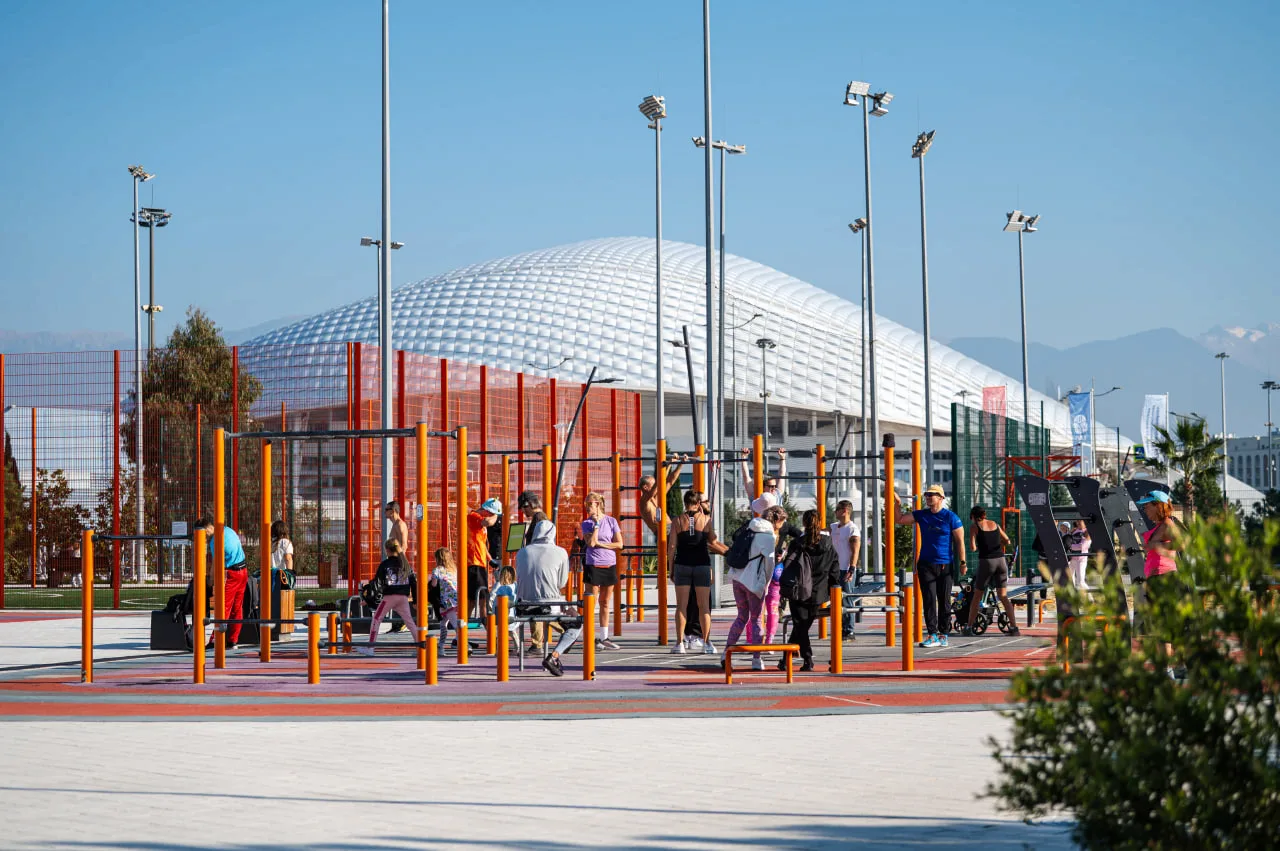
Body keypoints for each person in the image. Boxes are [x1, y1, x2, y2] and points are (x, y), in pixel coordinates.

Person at [893, 484, 965, 648]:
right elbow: (900, 519)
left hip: (945, 564)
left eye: (931, 494)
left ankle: (943, 634)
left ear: (941, 498)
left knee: (944, 601)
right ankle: (932, 634)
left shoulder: (951, 517)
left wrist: (963, 562)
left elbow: (960, 541)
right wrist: (897, 504)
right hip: (926, 564)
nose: (928, 497)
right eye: (926, 494)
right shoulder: (922, 514)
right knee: (929, 600)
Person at [515, 517, 584, 677]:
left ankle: (558, 646)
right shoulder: (560, 552)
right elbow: (561, 582)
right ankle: (555, 655)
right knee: (578, 622)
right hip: (549, 605)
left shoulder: (522, 552)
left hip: (523, 606)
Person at [724, 505, 788, 671]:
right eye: (782, 523)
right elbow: (769, 565)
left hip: (737, 578)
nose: (782, 526)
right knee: (757, 619)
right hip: (753, 583)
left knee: (741, 617)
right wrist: (765, 585)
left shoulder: (749, 528)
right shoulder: (768, 536)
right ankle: (756, 659)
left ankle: (726, 653)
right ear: (777, 520)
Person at [779, 509, 841, 671]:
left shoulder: (797, 544)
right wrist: (833, 589)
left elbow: (788, 566)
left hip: (798, 589)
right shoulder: (828, 544)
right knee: (802, 626)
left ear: (804, 523)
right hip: (819, 591)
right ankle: (786, 659)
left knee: (800, 626)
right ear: (820, 522)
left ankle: (807, 660)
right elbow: (835, 568)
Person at [667, 490, 726, 655]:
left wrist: (671, 567)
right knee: (704, 606)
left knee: (681, 606)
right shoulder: (706, 520)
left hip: (683, 564)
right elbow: (713, 540)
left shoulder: (677, 521)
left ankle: (680, 643)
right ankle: (707, 642)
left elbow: (672, 547)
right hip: (702, 565)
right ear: (698, 503)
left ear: (685, 503)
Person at [1137, 490, 1181, 673]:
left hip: (1164, 578)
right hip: (1156, 579)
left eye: (1148, 506)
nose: (1145, 510)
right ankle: (1168, 668)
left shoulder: (1168, 524)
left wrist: (1156, 545)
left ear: (1158, 506)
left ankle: (1167, 670)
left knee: (1163, 627)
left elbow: (1182, 543)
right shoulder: (1161, 525)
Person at [356, 538, 419, 656]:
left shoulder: (385, 565)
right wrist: (415, 600)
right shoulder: (405, 564)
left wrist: (368, 599)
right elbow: (413, 583)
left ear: (387, 550)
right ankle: (420, 647)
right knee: (410, 622)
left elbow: (377, 584)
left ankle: (370, 648)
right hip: (403, 598)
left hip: (389, 597)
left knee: (376, 619)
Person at [962, 506, 1020, 637]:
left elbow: (973, 547)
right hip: (1001, 561)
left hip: (987, 562)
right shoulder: (995, 524)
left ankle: (969, 627)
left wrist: (980, 546)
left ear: (973, 516)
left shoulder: (974, 527)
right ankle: (1014, 628)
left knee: (977, 596)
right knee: (1003, 596)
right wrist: (996, 546)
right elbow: (1007, 540)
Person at [194, 516, 247, 650]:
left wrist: (210, 582)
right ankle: (233, 640)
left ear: (206, 530)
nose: (204, 540)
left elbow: (216, 564)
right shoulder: (227, 530)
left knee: (224, 607)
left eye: (202, 535)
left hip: (232, 574)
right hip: (243, 571)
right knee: (237, 608)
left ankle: (215, 640)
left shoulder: (215, 541)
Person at [580, 491, 624, 651]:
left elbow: (619, 544)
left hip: (609, 564)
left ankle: (604, 637)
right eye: (586, 503)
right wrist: (597, 525)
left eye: (589, 503)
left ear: (597, 504)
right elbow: (591, 543)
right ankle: (590, 637)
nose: (587, 507)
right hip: (593, 564)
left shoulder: (612, 521)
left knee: (605, 602)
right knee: (591, 602)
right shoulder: (586, 523)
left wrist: (603, 545)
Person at [466, 497, 503, 616]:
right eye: (491, 514)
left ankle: (463, 624)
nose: (492, 517)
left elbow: (481, 544)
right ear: (486, 511)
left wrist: (490, 560)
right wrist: (497, 514)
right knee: (482, 599)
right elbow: (488, 522)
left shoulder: (479, 523)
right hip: (474, 563)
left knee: (473, 600)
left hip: (479, 563)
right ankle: (486, 624)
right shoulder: (473, 516)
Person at [830, 499, 861, 640]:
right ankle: (841, 628)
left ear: (844, 511)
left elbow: (855, 551)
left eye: (837, 509)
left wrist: (851, 569)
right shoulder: (834, 527)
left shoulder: (852, 529)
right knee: (836, 600)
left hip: (846, 569)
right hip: (834, 569)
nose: (835, 512)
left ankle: (849, 631)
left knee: (847, 599)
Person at [429, 547, 463, 649]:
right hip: (457, 597)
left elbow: (434, 584)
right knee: (443, 623)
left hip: (447, 601)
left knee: (455, 625)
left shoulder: (437, 570)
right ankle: (441, 645)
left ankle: (464, 644)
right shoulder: (454, 569)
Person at [1066, 519, 1091, 591]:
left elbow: (1082, 546)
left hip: (1081, 560)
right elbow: (1068, 540)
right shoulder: (1074, 531)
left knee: (1080, 582)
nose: (1078, 523)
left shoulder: (1087, 532)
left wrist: (1070, 546)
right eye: (1078, 521)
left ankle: (1090, 596)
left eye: (1080, 521)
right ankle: (1072, 596)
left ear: (1085, 523)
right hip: (1072, 558)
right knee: (1070, 580)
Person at [270, 520, 293, 586]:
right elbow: (288, 559)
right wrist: (289, 575)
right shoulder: (285, 542)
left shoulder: (269, 542)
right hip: (282, 576)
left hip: (269, 574)